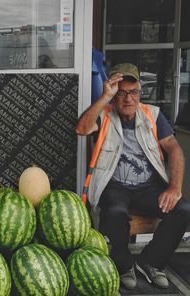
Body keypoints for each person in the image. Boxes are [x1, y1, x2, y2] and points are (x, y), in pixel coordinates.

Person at [75, 63, 190, 290]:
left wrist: (174, 187)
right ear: (113, 94)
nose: (128, 99)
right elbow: (81, 129)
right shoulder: (104, 114)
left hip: (149, 186)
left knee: (183, 209)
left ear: (140, 92)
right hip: (115, 186)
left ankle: (151, 262)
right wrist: (104, 97)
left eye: (133, 92)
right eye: (121, 93)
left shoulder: (153, 115)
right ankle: (124, 264)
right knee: (114, 213)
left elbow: (174, 149)